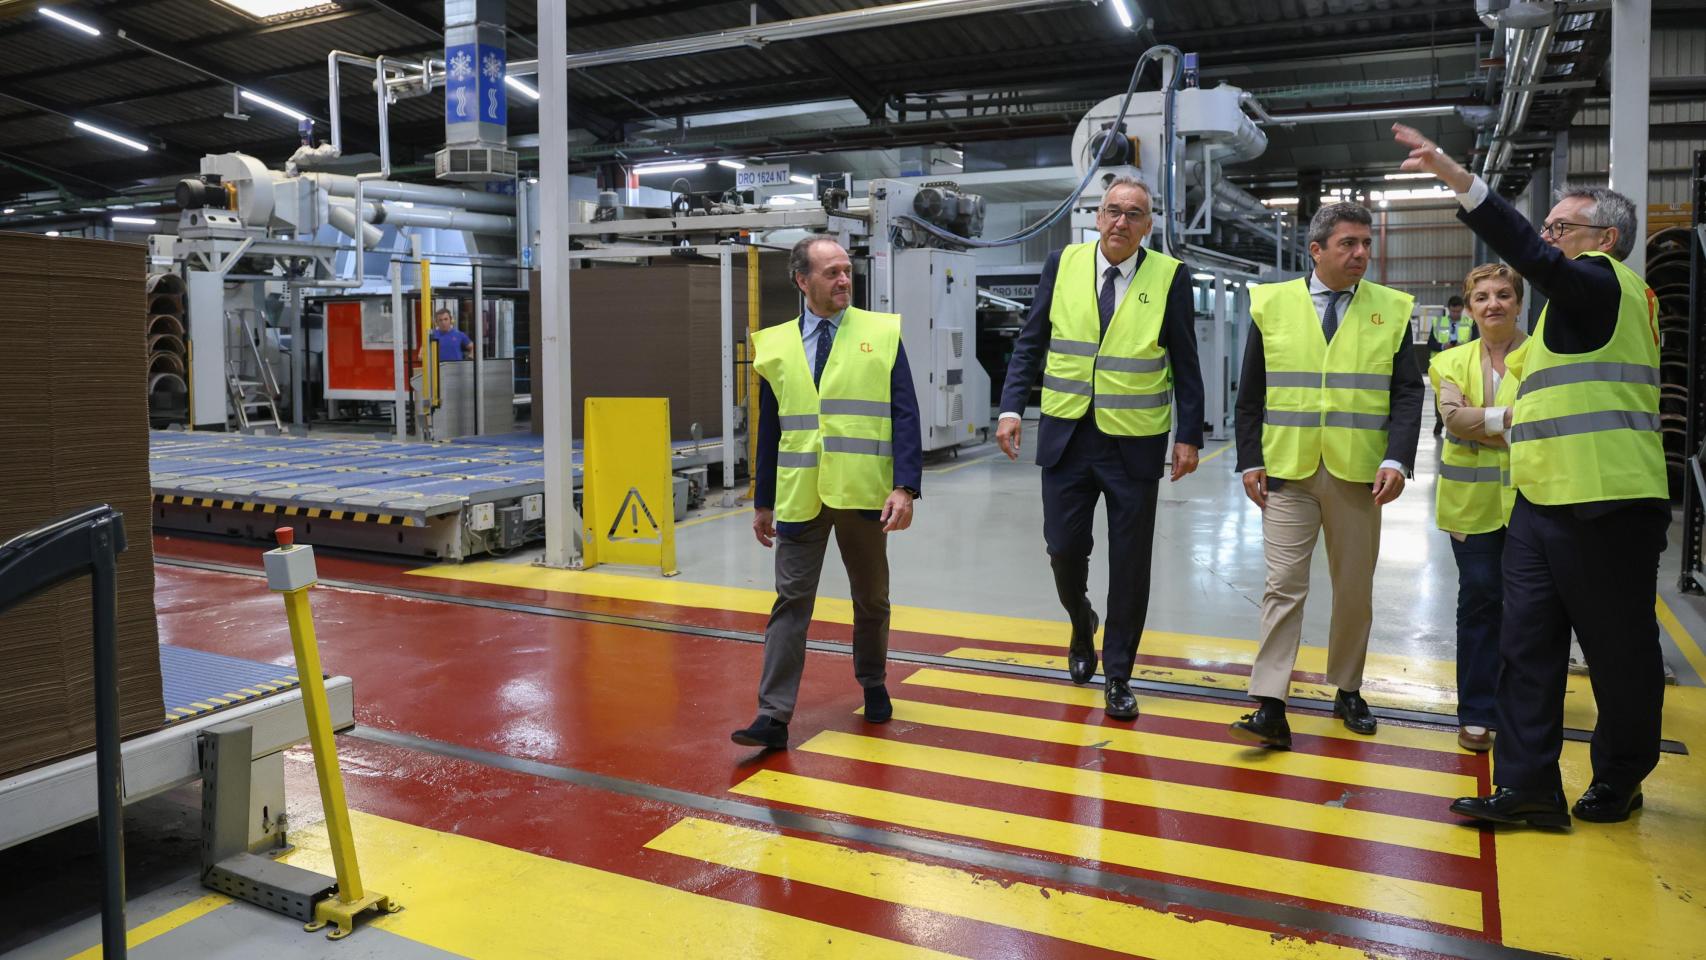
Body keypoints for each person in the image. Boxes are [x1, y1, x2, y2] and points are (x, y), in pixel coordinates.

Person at [1394, 123, 1667, 828]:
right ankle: (1528, 785)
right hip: (1540, 508)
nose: (1548, 238)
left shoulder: (1606, 288)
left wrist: (1461, 180)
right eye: (1547, 226)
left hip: (1608, 506)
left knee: (1618, 656)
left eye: (1560, 227)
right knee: (1526, 649)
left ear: (1603, 238)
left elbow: (1528, 255)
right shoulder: (1556, 320)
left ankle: (1620, 776)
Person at [994, 176, 1203, 720]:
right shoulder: (1062, 264)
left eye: (1134, 214)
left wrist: (1188, 435)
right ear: (1096, 215)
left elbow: (1186, 361)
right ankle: (1081, 620)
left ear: (1148, 225)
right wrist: (1013, 406)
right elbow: (1031, 340)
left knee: (1130, 564)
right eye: (1113, 211)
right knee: (1063, 549)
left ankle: (1118, 673)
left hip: (1134, 444)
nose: (1121, 222)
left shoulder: (1169, 276)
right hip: (1067, 436)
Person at [1229, 201, 1422, 749]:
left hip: (1360, 474)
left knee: (1354, 590)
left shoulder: (1392, 308)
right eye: (1349, 244)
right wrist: (1250, 458)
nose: (1361, 253)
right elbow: (1252, 393)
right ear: (1316, 250)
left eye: (1366, 244)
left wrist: (1396, 457)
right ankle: (1269, 702)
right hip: (1288, 470)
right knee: (1282, 587)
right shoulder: (1272, 304)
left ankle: (1348, 688)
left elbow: (1408, 391)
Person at [730, 236, 923, 751]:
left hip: (862, 492)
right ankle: (772, 716)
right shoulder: (773, 344)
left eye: (846, 271)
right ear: (802, 281)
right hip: (798, 495)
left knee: (871, 598)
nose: (843, 280)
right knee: (790, 602)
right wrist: (762, 499)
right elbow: (770, 427)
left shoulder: (881, 333)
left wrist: (905, 487)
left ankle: (873, 680)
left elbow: (905, 412)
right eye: (831, 272)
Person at [1430, 263, 1528, 753]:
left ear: (1518, 302)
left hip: (1534, 503)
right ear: (1469, 307)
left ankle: (1523, 709)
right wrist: (1512, 420)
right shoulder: (1449, 362)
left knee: (1532, 610)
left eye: (1504, 294)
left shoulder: (1544, 357)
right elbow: (1453, 420)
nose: (1494, 304)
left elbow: (1548, 419)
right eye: (1483, 297)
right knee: (1480, 602)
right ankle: (1477, 711)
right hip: (1471, 507)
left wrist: (1482, 420)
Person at [1430, 296, 1465, 436]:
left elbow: (1477, 342)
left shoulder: (1470, 323)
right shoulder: (1438, 323)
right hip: (1442, 365)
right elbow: (1430, 344)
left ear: (1462, 309)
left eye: (1458, 312)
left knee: (1462, 395)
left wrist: (1463, 347)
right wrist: (1444, 346)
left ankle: (1459, 423)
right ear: (1448, 309)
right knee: (1440, 394)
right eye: (1453, 311)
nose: (1456, 315)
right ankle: (1439, 421)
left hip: (1461, 365)